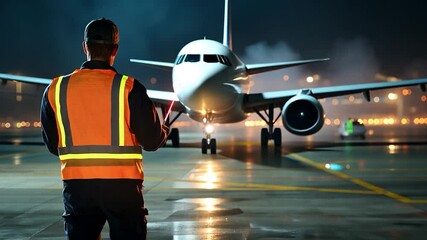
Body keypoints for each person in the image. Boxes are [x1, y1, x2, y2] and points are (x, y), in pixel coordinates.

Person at [40, 18, 169, 239]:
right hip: (123, 188)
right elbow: (151, 141)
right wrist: (164, 130)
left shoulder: (56, 88)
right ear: (115, 49)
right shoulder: (129, 88)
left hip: (77, 187)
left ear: (84, 47)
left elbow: (53, 146)